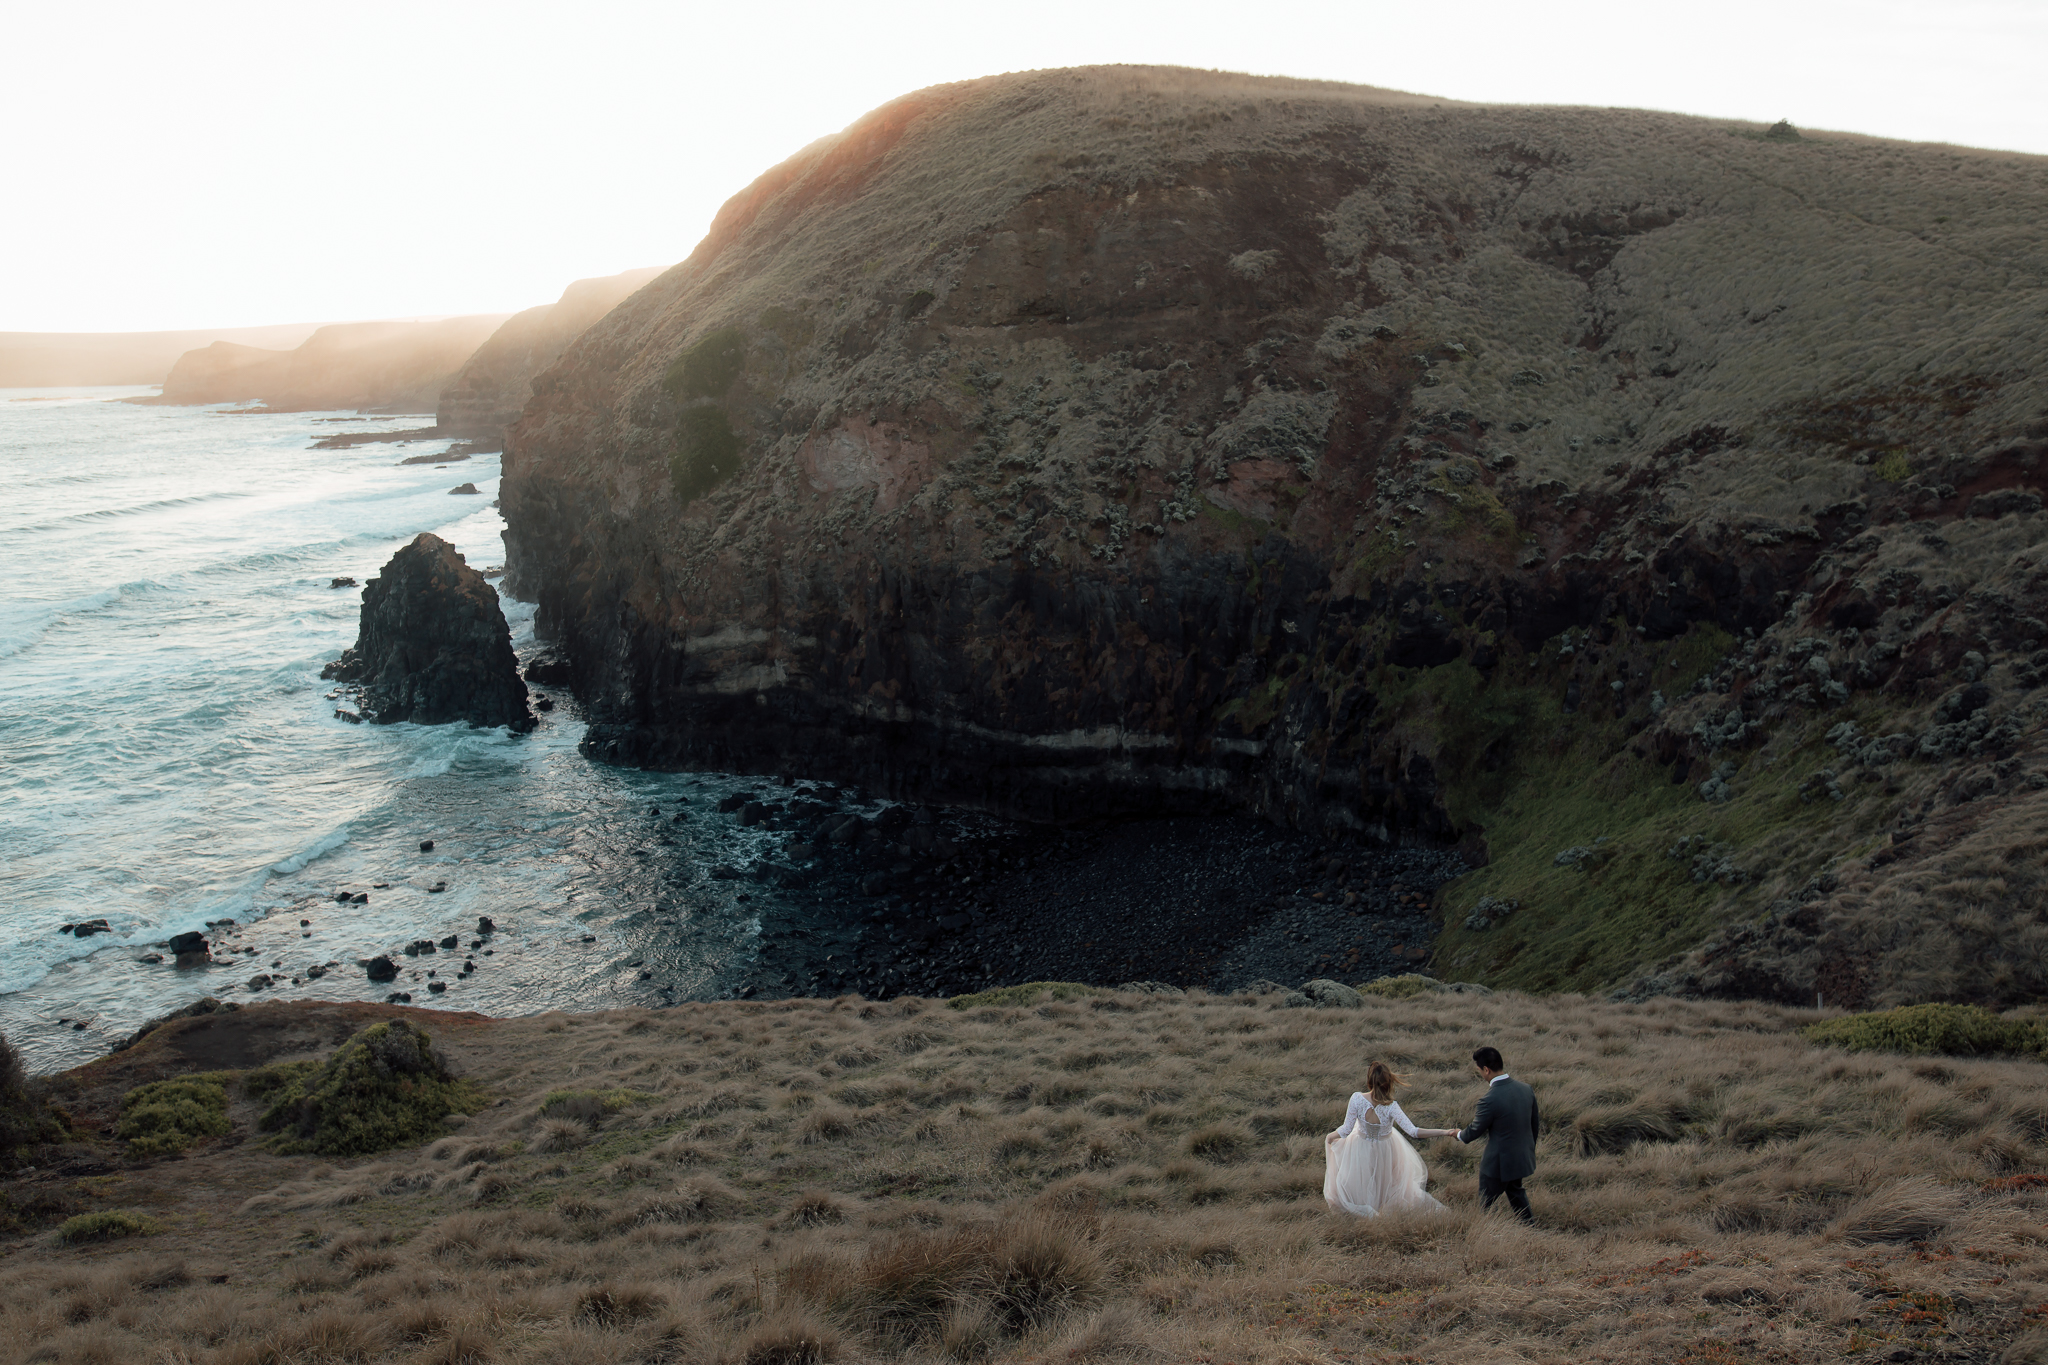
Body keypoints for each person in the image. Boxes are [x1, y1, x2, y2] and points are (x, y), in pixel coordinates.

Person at [1323, 1061, 1456, 1216]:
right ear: (1389, 1083)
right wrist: (1445, 1132)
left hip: (1359, 1147)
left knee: (1363, 1181)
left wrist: (1330, 1137)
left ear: (1370, 1080)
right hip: (1386, 1150)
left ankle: (1368, 1212)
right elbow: (1414, 1131)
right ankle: (1381, 1211)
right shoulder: (1391, 1106)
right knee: (1385, 1182)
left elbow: (1346, 1129)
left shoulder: (1357, 1099)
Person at [1448, 1045, 1538, 1223]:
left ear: (1486, 1070)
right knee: (1516, 1195)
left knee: (1486, 1205)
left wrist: (1459, 1134)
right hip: (1520, 1159)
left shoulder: (1489, 1099)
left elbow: (1474, 1131)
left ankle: (1486, 1236)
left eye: (1479, 1070)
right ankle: (1531, 1229)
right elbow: (1534, 1125)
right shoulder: (1526, 1089)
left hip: (1497, 1165)